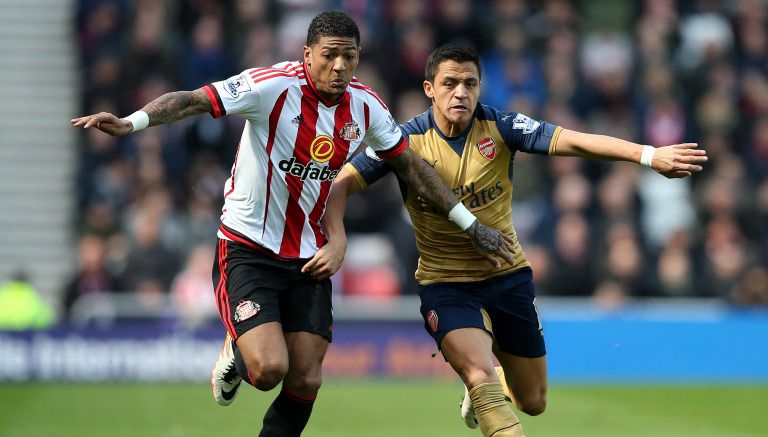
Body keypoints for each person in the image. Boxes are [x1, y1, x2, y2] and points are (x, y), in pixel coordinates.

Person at [71, 12, 515, 437]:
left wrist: (470, 225)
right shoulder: (271, 86)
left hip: (308, 254)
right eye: (330, 55)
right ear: (307, 54)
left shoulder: (366, 107)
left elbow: (413, 168)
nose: (340, 66)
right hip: (248, 247)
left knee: (306, 378)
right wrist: (132, 123)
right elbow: (192, 100)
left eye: (350, 56)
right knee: (268, 371)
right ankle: (237, 350)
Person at [322, 45, 708, 437]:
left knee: (533, 401)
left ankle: (487, 385)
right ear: (429, 88)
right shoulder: (403, 140)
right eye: (450, 83)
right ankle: (482, 386)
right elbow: (342, 183)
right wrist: (336, 237)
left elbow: (571, 141)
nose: (461, 93)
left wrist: (648, 155)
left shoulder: (501, 126)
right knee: (478, 373)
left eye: (470, 83)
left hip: (507, 277)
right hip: (447, 285)